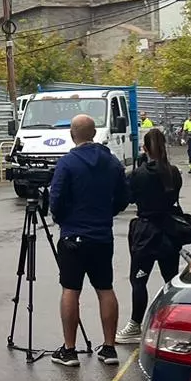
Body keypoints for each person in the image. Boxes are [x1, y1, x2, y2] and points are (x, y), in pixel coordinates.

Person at [47, 114, 131, 367]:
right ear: (94, 133)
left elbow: (56, 199)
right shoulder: (112, 162)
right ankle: (109, 348)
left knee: (70, 290)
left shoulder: (67, 163)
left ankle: (69, 350)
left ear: (72, 134)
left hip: (73, 236)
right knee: (105, 288)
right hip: (102, 236)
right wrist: (106, 214)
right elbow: (124, 197)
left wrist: (63, 219)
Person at [116, 128, 184, 345]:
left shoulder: (138, 174)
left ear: (144, 148)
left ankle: (135, 325)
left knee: (139, 280)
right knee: (171, 280)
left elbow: (127, 198)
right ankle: (174, 323)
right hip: (169, 231)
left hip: (145, 232)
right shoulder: (173, 172)